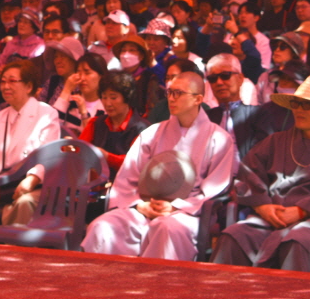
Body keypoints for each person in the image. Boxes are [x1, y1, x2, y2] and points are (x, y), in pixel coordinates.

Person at [81, 68, 236, 260]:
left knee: (166, 227)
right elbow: (127, 179)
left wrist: (175, 207)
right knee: (102, 226)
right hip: (144, 206)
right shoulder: (152, 133)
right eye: (169, 93)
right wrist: (140, 205)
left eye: (178, 93)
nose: (171, 98)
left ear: (197, 99)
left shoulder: (219, 139)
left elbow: (214, 190)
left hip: (187, 212)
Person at [213, 75, 310, 272]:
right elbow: (247, 173)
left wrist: (302, 211)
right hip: (270, 216)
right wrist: (262, 206)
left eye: (308, 105)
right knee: (234, 235)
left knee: (297, 241)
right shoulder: (275, 141)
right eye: (296, 104)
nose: (299, 110)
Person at [0, 58, 62, 237]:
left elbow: (49, 154)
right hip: (6, 181)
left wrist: (32, 179)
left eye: (12, 81)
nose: (6, 86)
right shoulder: (0, 117)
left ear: (28, 86)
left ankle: (15, 248)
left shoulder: (46, 113)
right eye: (3, 81)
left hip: (37, 183)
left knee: (24, 202)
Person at [80, 70, 147, 174]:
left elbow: (136, 163)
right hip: (97, 181)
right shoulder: (96, 123)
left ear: (127, 97)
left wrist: (107, 157)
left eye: (113, 98)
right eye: (104, 97)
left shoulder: (142, 130)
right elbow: (81, 149)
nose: (108, 103)